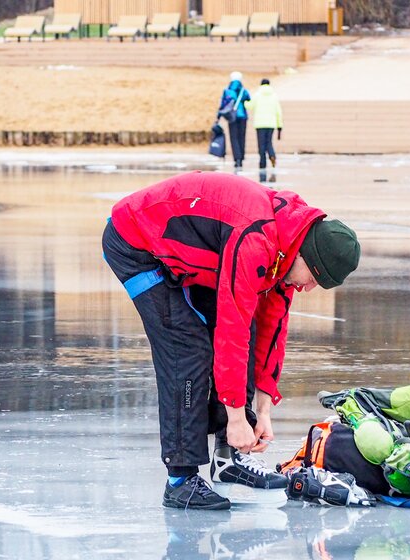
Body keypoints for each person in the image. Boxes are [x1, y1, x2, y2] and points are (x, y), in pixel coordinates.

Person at [102, 171, 361, 509]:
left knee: (250, 330)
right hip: (136, 241)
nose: (309, 288)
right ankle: (180, 480)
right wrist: (238, 418)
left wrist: (262, 410)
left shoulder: (288, 246)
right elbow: (231, 328)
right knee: (186, 347)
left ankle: (228, 458)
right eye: (313, 279)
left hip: (200, 253)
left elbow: (270, 330)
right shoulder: (257, 238)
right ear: (305, 257)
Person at [246, 78, 283, 171]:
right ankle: (272, 155)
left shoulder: (257, 95)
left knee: (261, 144)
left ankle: (262, 163)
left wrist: (245, 102)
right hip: (271, 124)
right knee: (269, 142)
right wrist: (279, 126)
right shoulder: (274, 96)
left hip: (260, 124)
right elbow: (278, 112)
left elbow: (250, 106)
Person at [216, 71, 251, 169]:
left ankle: (237, 158)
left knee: (234, 138)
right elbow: (248, 99)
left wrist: (218, 116)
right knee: (242, 137)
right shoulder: (244, 90)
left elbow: (223, 104)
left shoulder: (227, 90)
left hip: (232, 117)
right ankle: (242, 156)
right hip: (243, 116)